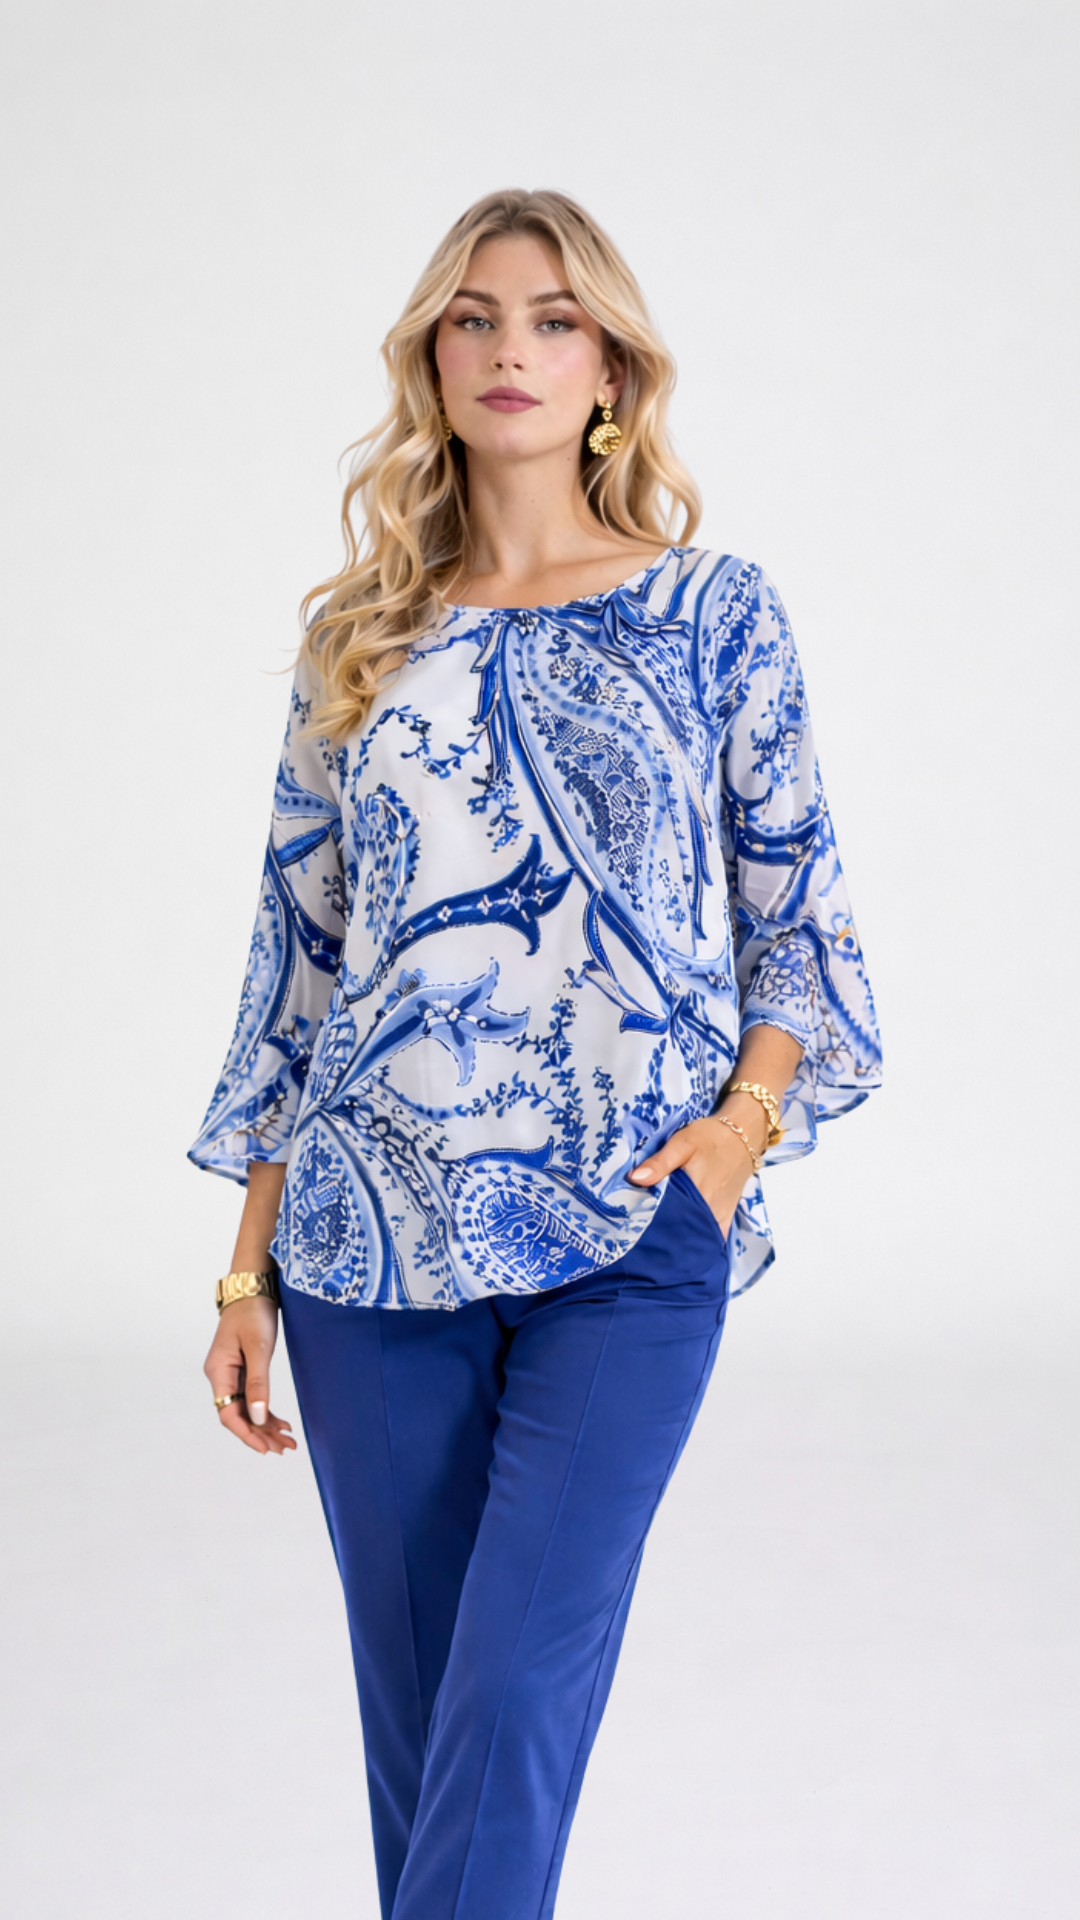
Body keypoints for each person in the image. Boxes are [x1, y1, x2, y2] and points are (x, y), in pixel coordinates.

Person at [192, 188, 881, 1920]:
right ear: (432, 360)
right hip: (364, 1250)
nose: (513, 348)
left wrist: (733, 1139)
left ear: (612, 372)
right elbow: (299, 963)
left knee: (510, 1704)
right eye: (477, 317)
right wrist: (247, 1268)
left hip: (632, 1235)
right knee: (427, 1734)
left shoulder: (712, 614)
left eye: (555, 319)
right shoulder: (360, 636)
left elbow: (801, 920)